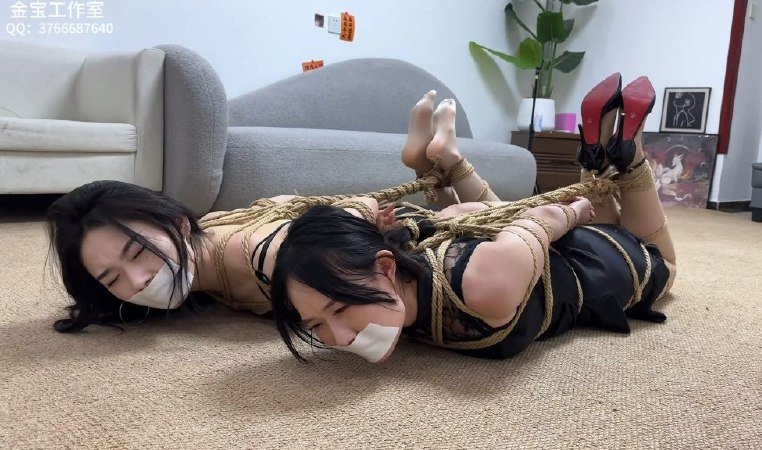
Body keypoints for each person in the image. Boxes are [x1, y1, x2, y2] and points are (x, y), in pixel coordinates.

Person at [269, 73, 677, 362]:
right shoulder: (405, 260)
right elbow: (481, 217)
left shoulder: (484, 287)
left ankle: (630, 154)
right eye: (315, 326)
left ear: (386, 266)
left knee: (664, 265)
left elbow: (544, 215)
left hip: (596, 263)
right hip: (536, 258)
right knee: (484, 217)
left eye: (341, 309)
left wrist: (576, 210)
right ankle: (447, 159)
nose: (340, 339)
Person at [46, 90, 507, 332]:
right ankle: (438, 159)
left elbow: (347, 269)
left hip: (388, 236)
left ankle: (445, 160)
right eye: (111, 279)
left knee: (503, 223)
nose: (137, 281)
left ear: (178, 224)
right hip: (346, 219)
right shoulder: (208, 235)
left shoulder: (263, 260)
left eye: (137, 252)